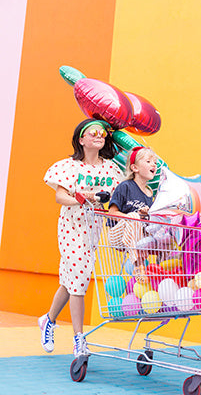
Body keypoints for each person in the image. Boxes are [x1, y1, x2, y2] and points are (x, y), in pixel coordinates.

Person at [38, 118, 124, 357]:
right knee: (81, 280)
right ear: (81, 139)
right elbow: (60, 197)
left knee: (71, 281)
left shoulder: (111, 169)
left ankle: (48, 320)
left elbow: (119, 194)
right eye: (92, 132)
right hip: (71, 227)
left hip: (93, 229)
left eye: (102, 133)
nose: (99, 135)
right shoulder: (68, 166)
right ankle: (79, 339)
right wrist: (80, 197)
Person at [107, 146, 157, 270]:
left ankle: (162, 265)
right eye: (148, 161)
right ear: (134, 168)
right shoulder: (125, 187)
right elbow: (112, 213)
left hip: (137, 237)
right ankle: (138, 266)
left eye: (155, 163)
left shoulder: (150, 193)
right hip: (117, 235)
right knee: (134, 218)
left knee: (162, 226)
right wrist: (132, 217)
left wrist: (144, 215)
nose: (154, 165)